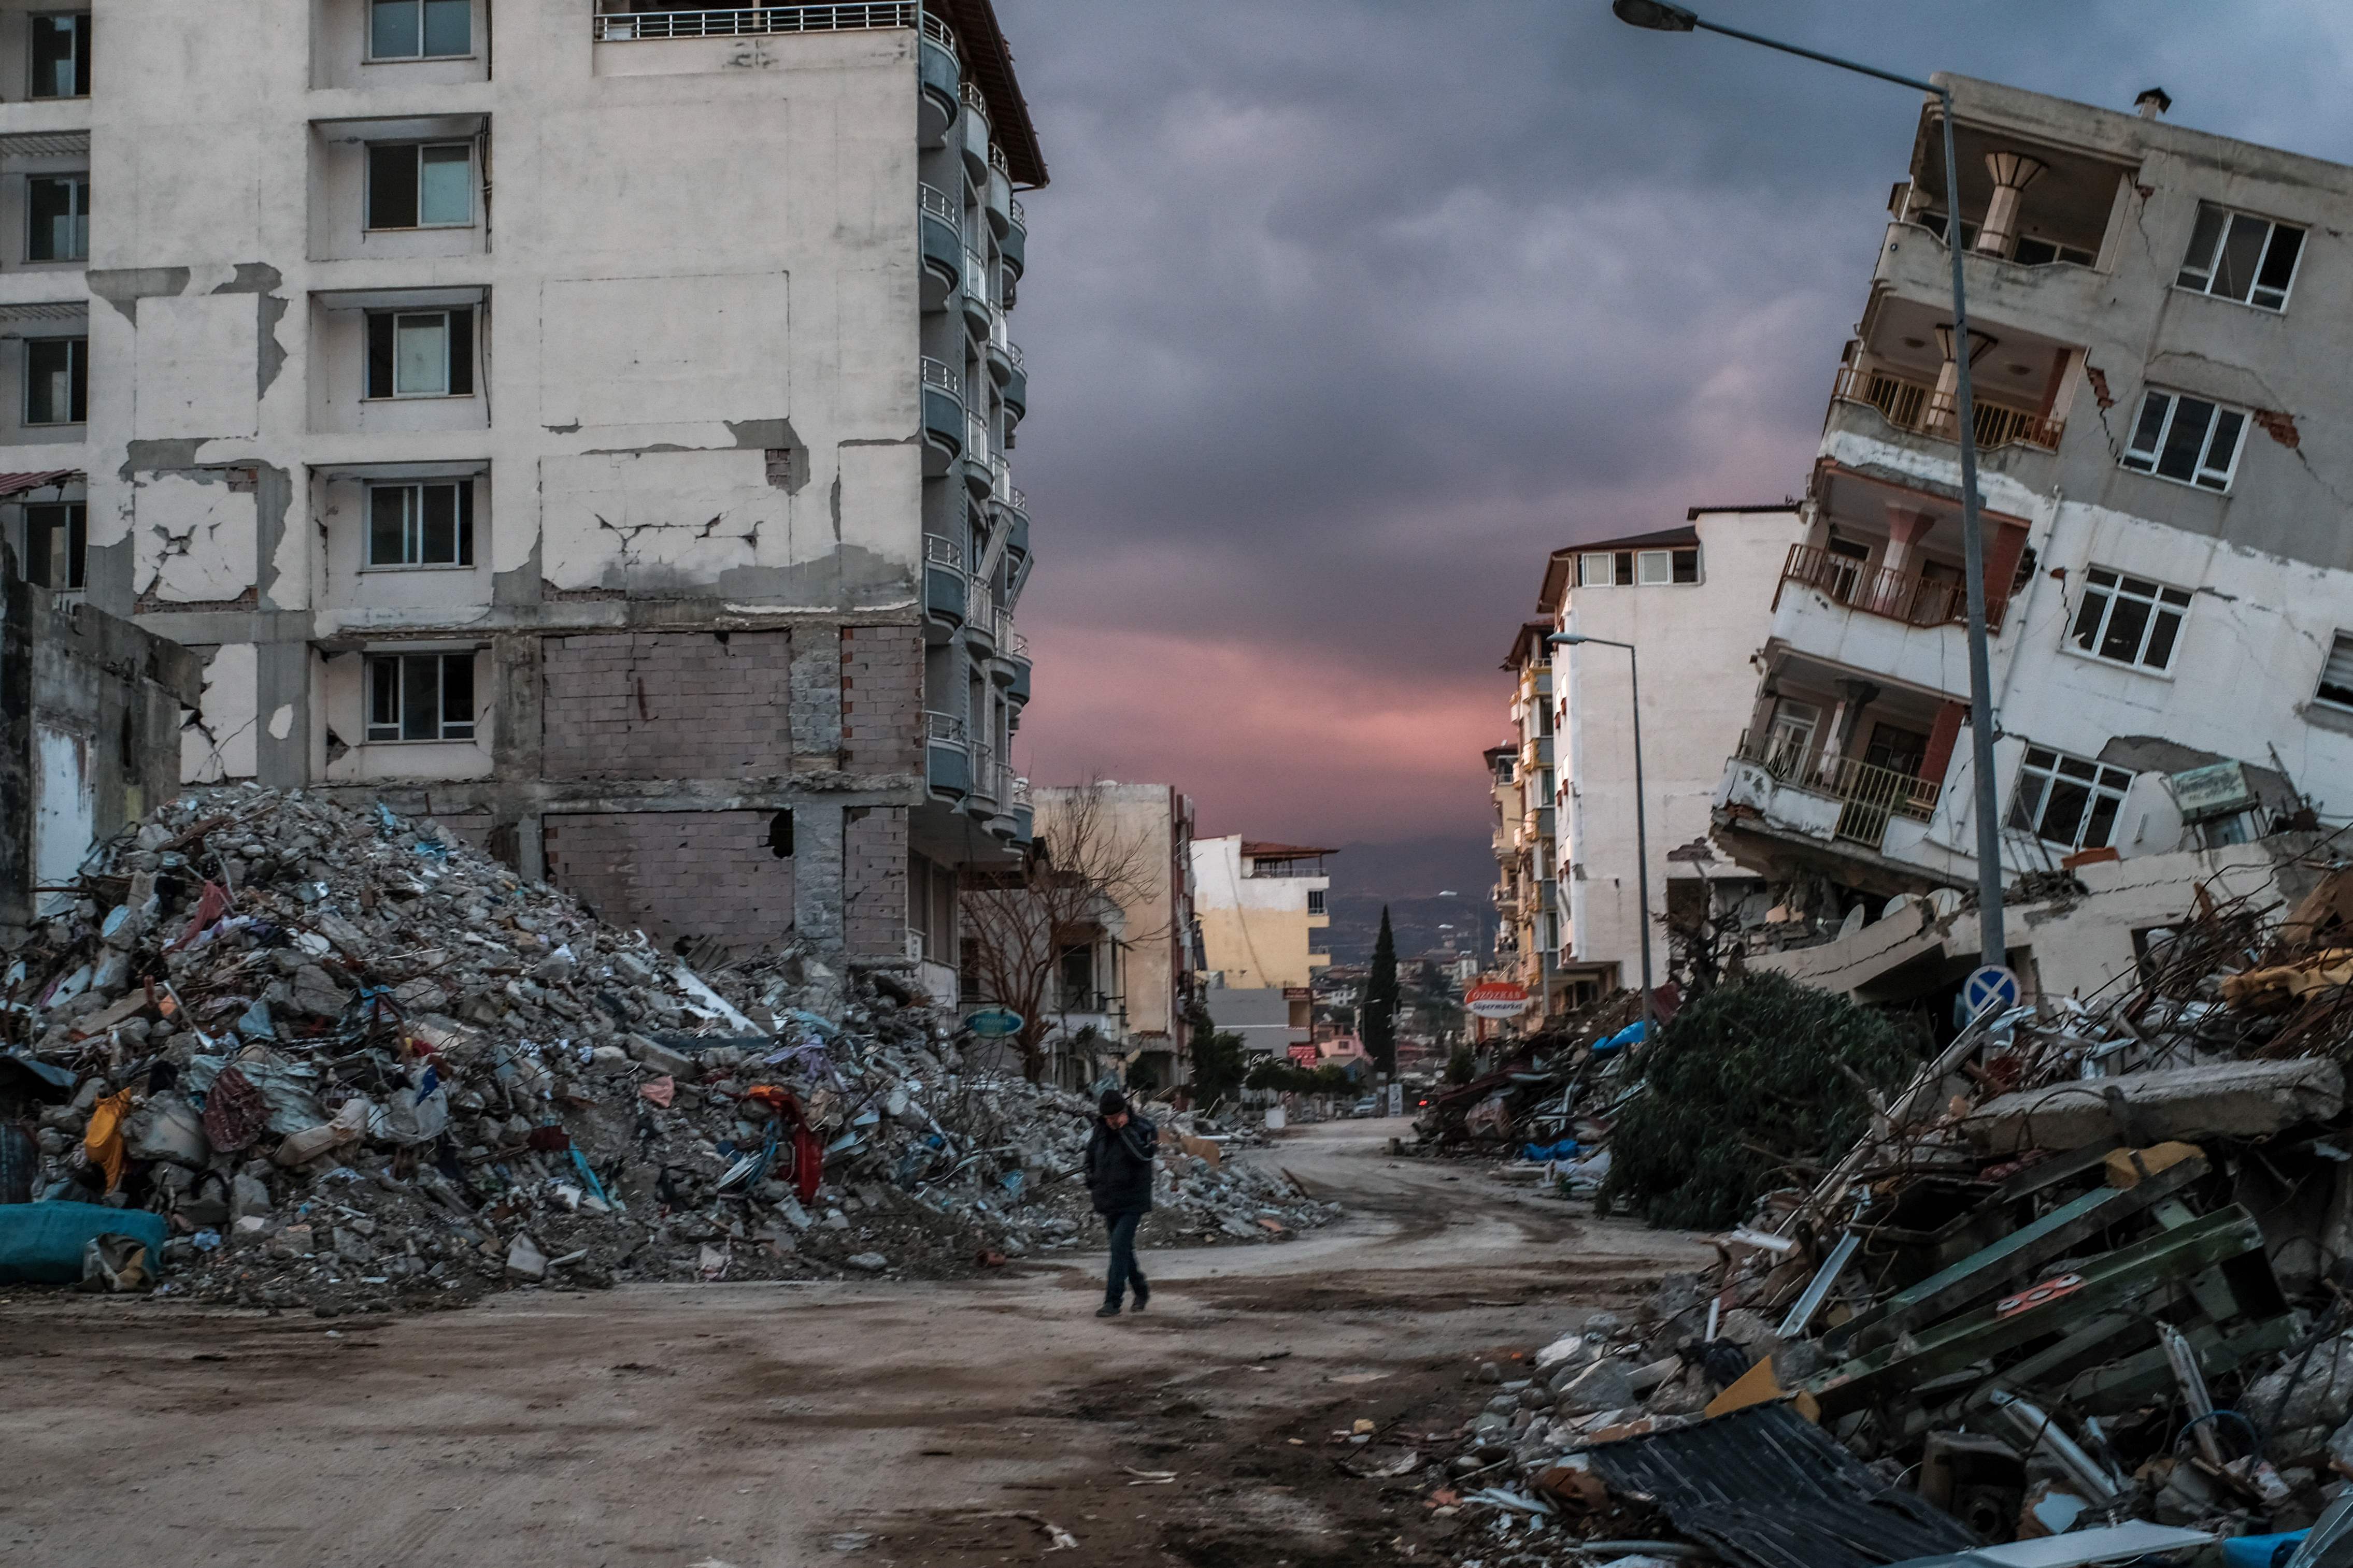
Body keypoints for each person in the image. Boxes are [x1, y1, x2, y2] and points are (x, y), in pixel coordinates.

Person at [1083, 1089, 1157, 1317]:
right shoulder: (1100, 1131)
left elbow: (1143, 1156)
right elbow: (1090, 1159)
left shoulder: (1144, 1128)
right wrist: (1092, 1178)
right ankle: (1141, 1290)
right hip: (1109, 1199)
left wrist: (1125, 1131)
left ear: (1124, 1112)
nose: (1112, 1122)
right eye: (1109, 1119)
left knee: (1118, 1248)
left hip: (1133, 1199)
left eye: (1115, 1118)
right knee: (1123, 1249)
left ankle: (1112, 1302)